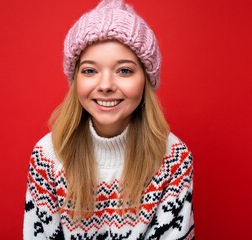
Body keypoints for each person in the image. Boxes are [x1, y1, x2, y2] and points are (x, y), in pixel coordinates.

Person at [23, 0, 194, 239]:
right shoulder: (48, 157)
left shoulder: (173, 158)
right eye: (90, 70)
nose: (105, 86)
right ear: (76, 80)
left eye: (124, 70)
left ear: (145, 79)